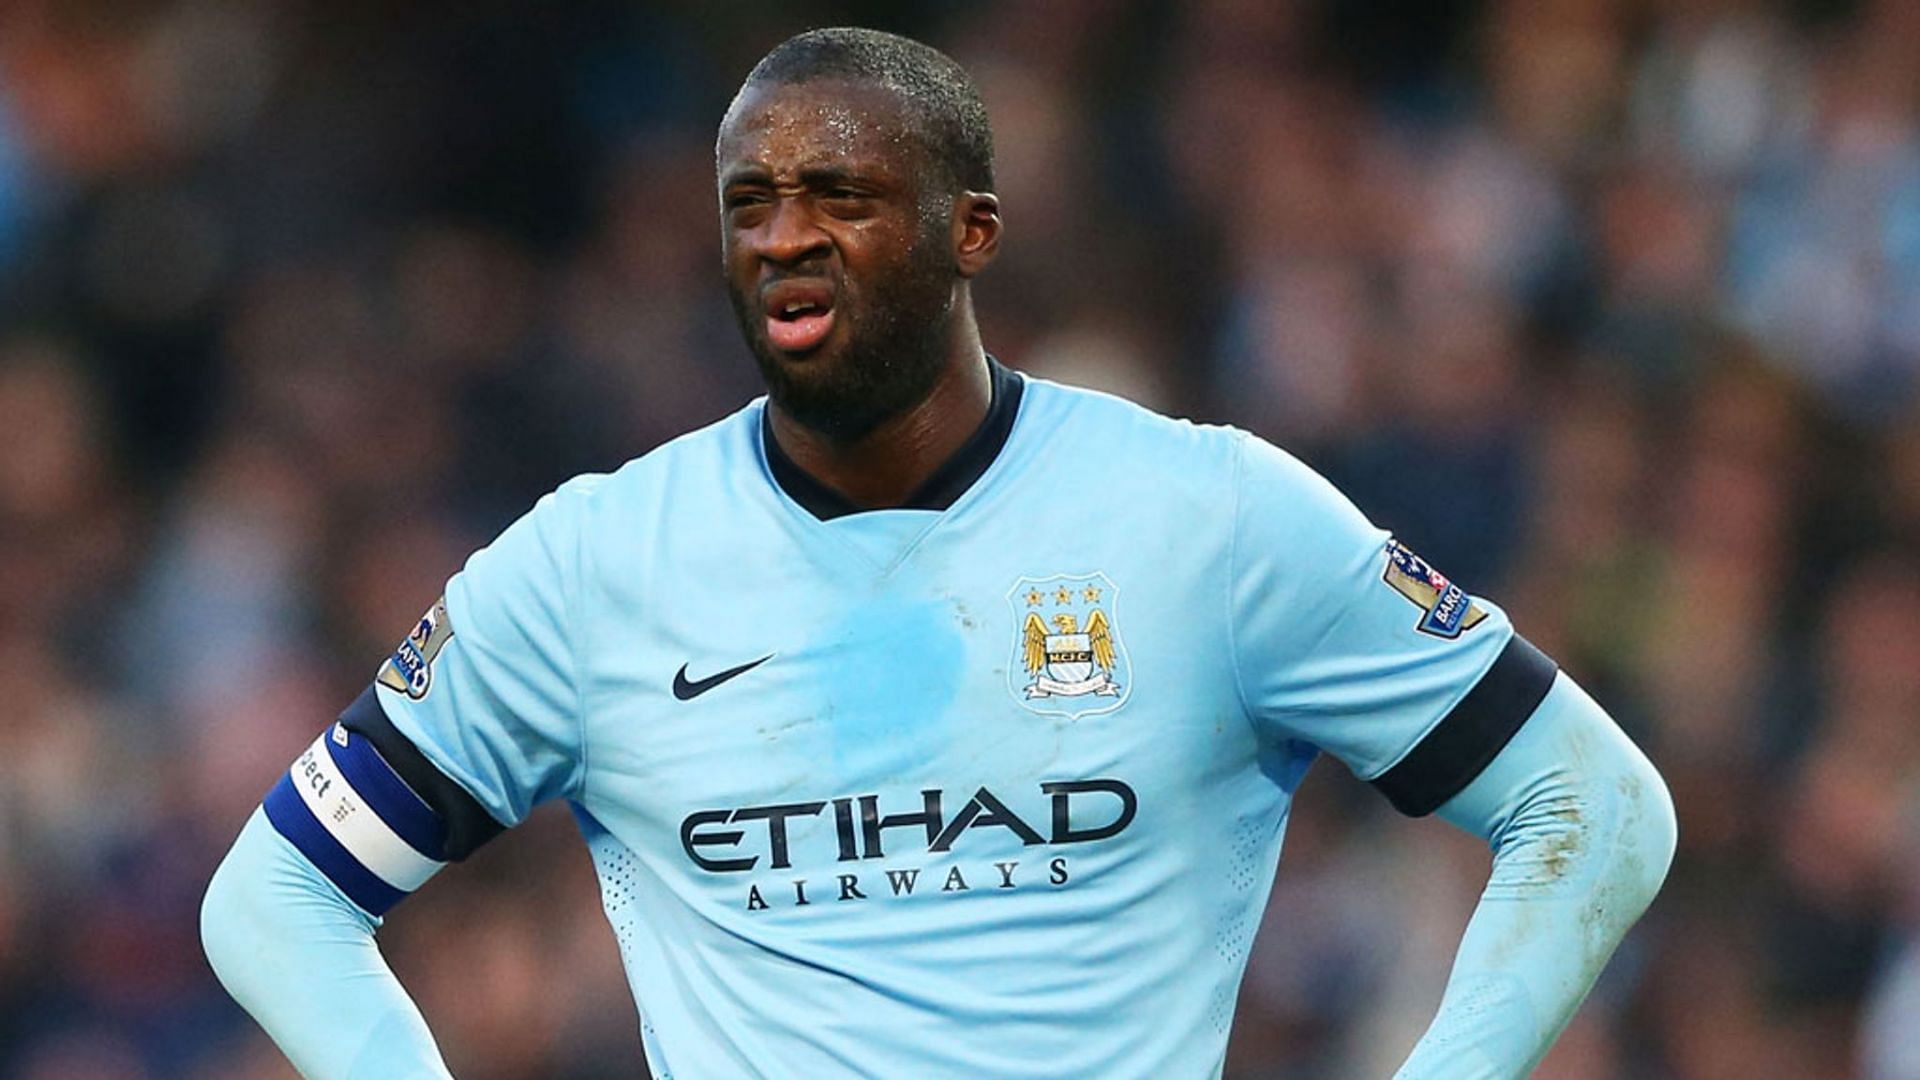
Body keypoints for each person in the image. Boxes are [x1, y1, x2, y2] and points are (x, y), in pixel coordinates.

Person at [202, 27, 1676, 1079]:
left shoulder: (1205, 520)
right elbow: (273, 897)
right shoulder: (595, 565)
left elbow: (1592, 803)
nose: (786, 239)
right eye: (750, 206)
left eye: (841, 198)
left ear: (973, 230)